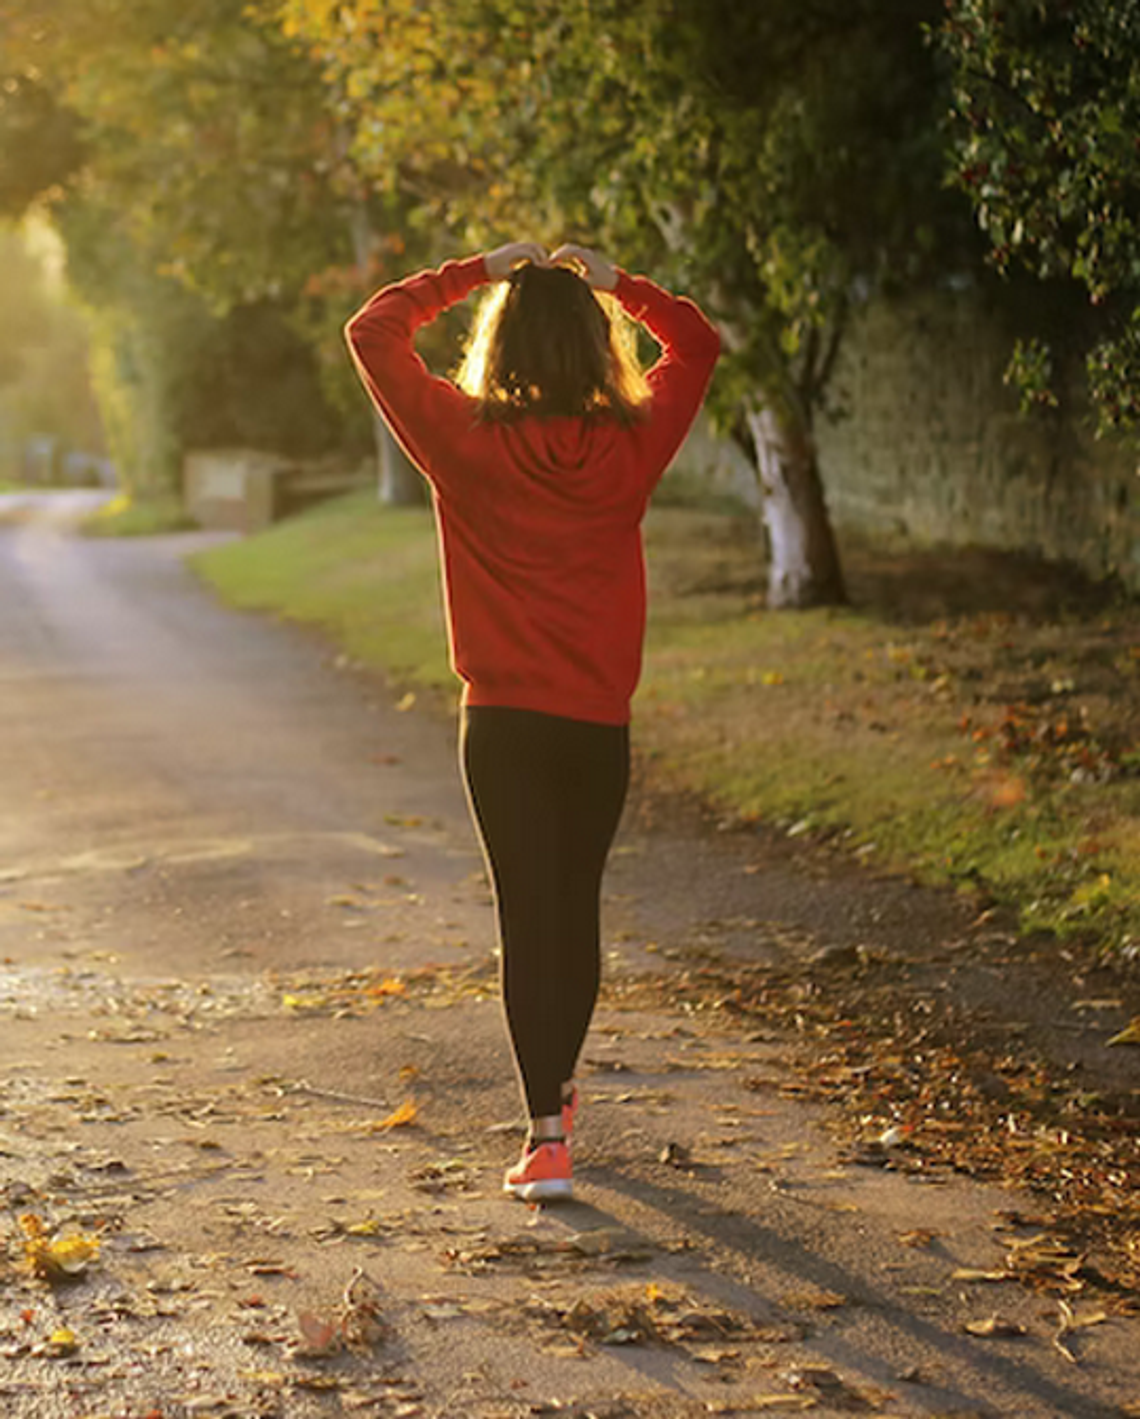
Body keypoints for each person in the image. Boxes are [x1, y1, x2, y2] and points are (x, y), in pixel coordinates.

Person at [345, 239, 720, 1202]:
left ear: (499, 345)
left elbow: (373, 331)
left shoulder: (462, 439)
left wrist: (475, 271)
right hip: (596, 723)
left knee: (527, 913)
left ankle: (546, 1133)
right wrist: (620, 285)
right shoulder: (633, 441)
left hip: (502, 723)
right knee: (574, 908)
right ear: (597, 348)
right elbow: (698, 343)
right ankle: (555, 1090)